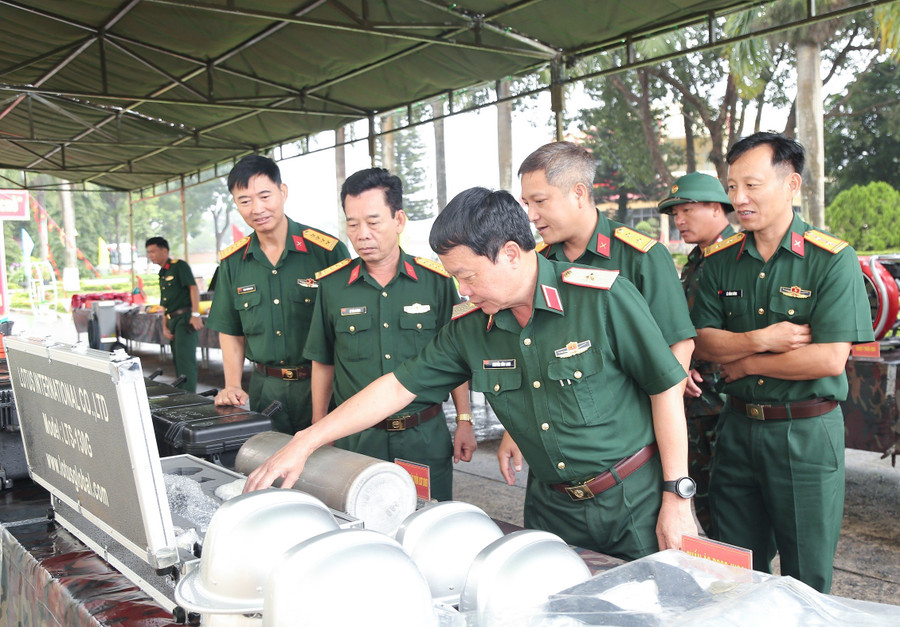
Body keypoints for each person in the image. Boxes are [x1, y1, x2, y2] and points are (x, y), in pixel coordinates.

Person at [246, 187, 697, 560]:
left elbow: (665, 390)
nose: (463, 290)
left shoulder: (602, 298)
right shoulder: (471, 328)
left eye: (469, 276)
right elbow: (396, 387)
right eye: (455, 278)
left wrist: (677, 496)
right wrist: (306, 441)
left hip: (633, 501)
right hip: (549, 507)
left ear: (511, 253)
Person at [691, 132, 874, 593]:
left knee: (804, 579)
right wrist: (763, 339)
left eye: (751, 185)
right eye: (732, 187)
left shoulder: (831, 260)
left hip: (805, 435)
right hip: (736, 433)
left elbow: (829, 358)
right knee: (733, 573)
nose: (739, 199)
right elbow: (704, 343)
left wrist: (749, 362)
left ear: (791, 185)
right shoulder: (719, 261)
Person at [502, 141, 695, 476]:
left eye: (540, 201)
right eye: (527, 203)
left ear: (578, 193)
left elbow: (679, 344)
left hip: (631, 449)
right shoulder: (539, 263)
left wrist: (659, 420)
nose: (531, 215)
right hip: (562, 449)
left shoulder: (641, 256)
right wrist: (513, 429)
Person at [304, 168, 476, 501]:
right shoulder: (332, 287)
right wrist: (319, 427)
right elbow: (323, 361)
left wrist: (465, 419)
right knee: (357, 525)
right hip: (356, 439)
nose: (362, 234)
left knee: (426, 524)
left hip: (423, 436)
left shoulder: (436, 282)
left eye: (373, 222)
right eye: (352, 224)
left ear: (399, 219)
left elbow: (455, 358)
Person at [205, 155, 350, 434]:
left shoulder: (327, 251)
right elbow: (230, 330)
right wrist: (233, 384)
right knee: (270, 470)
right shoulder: (234, 262)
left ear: (282, 192)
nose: (257, 208)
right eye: (245, 201)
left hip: (325, 388)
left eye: (264, 196)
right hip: (265, 390)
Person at [657, 172, 736, 535]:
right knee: (702, 503)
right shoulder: (696, 261)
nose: (680, 220)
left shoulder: (738, 258)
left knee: (730, 508)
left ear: (718, 208)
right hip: (696, 401)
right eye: (675, 215)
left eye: (687, 210)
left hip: (725, 400)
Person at [145, 237, 203, 392]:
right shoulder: (162, 272)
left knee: (185, 360)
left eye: (153, 251)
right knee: (177, 360)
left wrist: (195, 314)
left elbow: (193, 288)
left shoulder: (179, 266)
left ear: (164, 250)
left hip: (185, 319)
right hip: (172, 320)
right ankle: (182, 394)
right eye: (148, 252)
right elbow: (165, 303)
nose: (151, 255)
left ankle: (189, 397)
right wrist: (164, 326)